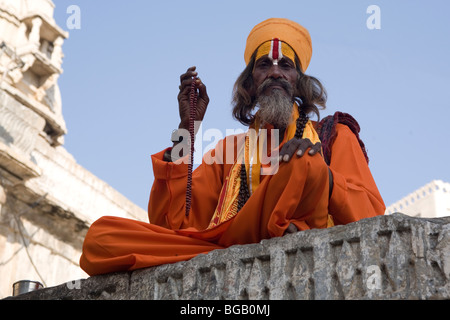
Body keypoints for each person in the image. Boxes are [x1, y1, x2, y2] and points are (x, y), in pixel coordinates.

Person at [79, 18, 385, 276]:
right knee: (101, 237)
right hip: (232, 243)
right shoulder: (231, 150)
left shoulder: (333, 135)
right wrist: (189, 128)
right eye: (264, 65)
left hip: (306, 233)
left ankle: (286, 225)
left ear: (299, 82)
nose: (275, 72)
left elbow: (371, 214)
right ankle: (274, 231)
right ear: (250, 83)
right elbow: (171, 223)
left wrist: (320, 173)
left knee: (304, 161)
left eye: (286, 66)